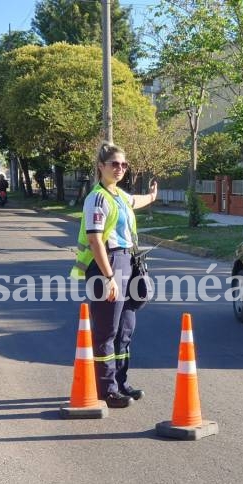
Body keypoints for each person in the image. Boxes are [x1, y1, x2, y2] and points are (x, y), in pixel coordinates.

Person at [70, 141, 158, 408]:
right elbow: (95, 240)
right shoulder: (96, 198)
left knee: (125, 329)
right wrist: (109, 278)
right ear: (101, 167)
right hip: (106, 265)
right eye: (114, 164)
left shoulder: (118, 195)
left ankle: (121, 382)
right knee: (107, 331)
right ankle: (106, 389)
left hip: (128, 262)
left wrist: (152, 196)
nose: (120, 168)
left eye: (123, 164)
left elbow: (135, 200)